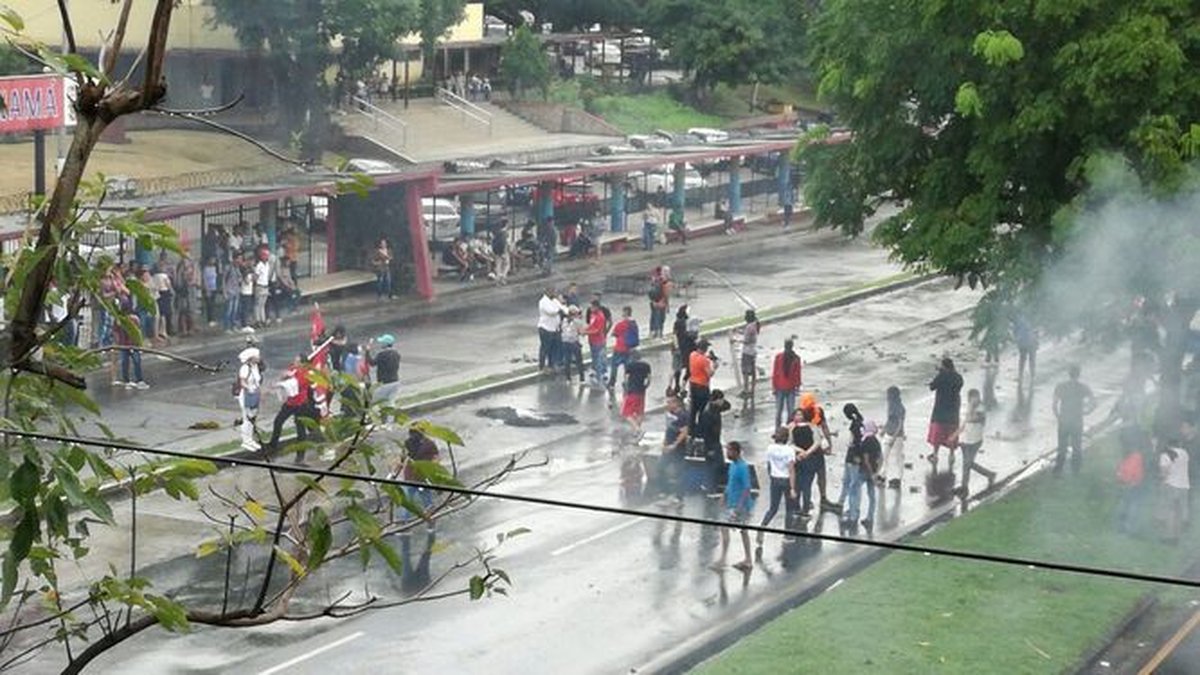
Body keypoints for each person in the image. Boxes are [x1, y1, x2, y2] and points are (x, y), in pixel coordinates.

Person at [757, 427, 798, 553]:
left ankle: (762, 527)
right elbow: (791, 470)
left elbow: (769, 465)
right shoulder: (789, 451)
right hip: (786, 480)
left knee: (773, 508)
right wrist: (792, 488)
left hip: (775, 479)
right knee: (789, 509)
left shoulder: (770, 448)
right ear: (787, 438)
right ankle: (787, 535)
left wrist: (772, 476)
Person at [268, 355, 317, 460]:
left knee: (300, 431)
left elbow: (293, 385)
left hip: (301, 405)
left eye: (297, 361)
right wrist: (284, 376)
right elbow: (285, 376)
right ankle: (273, 445)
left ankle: (300, 456)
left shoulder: (306, 374)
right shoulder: (293, 369)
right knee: (278, 421)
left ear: (302, 363)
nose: (294, 363)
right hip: (290, 403)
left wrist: (279, 384)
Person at [715, 441, 754, 572]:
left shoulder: (743, 467)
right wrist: (724, 495)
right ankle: (740, 558)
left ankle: (742, 559)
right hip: (731, 503)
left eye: (729, 451)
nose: (727, 453)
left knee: (742, 531)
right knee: (726, 528)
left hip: (740, 506)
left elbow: (747, 488)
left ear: (736, 452)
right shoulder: (732, 465)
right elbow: (731, 483)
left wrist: (739, 507)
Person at [1053, 364, 1095, 475]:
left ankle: (1058, 470)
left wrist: (1058, 416)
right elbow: (1093, 402)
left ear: (1069, 373)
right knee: (1077, 446)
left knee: (1062, 446)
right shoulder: (1083, 387)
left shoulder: (1061, 386)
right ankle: (1076, 470)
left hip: (1064, 420)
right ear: (1079, 374)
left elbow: (1054, 404)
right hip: (1077, 421)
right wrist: (1086, 412)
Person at [798, 392, 837, 511]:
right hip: (805, 451)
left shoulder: (818, 412)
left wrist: (829, 444)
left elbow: (824, 427)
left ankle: (822, 498)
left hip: (814, 450)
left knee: (820, 476)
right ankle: (806, 501)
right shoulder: (799, 415)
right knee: (807, 479)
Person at [957, 388, 997, 498]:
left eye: (976, 397)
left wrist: (970, 409)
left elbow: (972, 419)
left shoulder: (981, 409)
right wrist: (956, 436)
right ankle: (964, 487)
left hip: (975, 441)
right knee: (966, 465)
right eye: (971, 398)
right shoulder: (969, 407)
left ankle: (989, 474)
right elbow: (964, 423)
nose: (973, 400)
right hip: (965, 439)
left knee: (968, 464)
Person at [927, 357, 964, 468]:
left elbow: (932, 387)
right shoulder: (958, 377)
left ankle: (935, 454)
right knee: (951, 432)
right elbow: (959, 386)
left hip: (941, 409)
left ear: (944, 366)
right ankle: (951, 455)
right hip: (953, 409)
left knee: (938, 434)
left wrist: (940, 374)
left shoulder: (941, 376)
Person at [1114, 425, 1148, 534]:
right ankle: (1126, 527)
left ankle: (1124, 527)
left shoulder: (1131, 454)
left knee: (1127, 504)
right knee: (1130, 505)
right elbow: (1131, 469)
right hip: (1131, 483)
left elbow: (1127, 468)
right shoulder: (1136, 454)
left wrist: (1121, 477)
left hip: (1129, 482)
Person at [697, 390, 730, 495]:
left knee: (716, 464)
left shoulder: (715, 408)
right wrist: (709, 448)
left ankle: (710, 485)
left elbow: (728, 406)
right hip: (711, 443)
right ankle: (711, 487)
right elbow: (706, 432)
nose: (722, 401)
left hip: (716, 441)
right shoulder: (708, 413)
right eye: (721, 399)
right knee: (714, 465)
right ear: (717, 400)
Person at [1159, 439, 1190, 544]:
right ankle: (1177, 537)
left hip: (1171, 485)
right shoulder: (1185, 453)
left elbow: (1164, 473)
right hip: (1184, 486)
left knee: (1170, 512)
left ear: (1168, 445)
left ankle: (1169, 537)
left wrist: (1161, 483)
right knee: (1179, 512)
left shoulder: (1165, 455)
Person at [661, 396, 690, 505]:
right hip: (668, 447)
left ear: (676, 403)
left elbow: (685, 431)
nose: (667, 405)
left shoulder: (683, 415)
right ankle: (666, 491)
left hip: (678, 449)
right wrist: (664, 444)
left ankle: (679, 497)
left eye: (669, 403)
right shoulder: (670, 415)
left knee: (679, 472)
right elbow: (668, 430)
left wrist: (674, 444)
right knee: (660, 467)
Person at [113, 299, 148, 390]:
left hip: (130, 344)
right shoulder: (120, 320)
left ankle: (133, 380)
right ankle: (132, 380)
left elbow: (116, 332)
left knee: (130, 362)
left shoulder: (131, 319)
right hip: (127, 344)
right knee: (130, 362)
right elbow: (116, 332)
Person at [772, 338, 803, 430]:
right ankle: (787, 429)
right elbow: (798, 374)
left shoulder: (779, 357)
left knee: (780, 411)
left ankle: (780, 430)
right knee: (789, 411)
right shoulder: (796, 358)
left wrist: (774, 386)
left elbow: (775, 373)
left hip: (781, 387)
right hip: (789, 388)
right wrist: (798, 386)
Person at [236, 346, 263, 452]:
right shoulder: (245, 368)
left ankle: (250, 439)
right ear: (251, 358)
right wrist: (249, 388)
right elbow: (242, 382)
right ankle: (245, 440)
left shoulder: (255, 366)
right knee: (247, 418)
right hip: (247, 395)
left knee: (252, 418)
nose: (259, 358)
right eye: (257, 356)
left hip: (255, 394)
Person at [881, 385, 907, 489]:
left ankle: (898, 479)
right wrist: (884, 429)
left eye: (888, 395)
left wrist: (895, 436)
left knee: (897, 458)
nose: (887, 397)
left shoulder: (899, 407)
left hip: (897, 436)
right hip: (889, 433)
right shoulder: (891, 405)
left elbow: (900, 423)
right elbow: (889, 420)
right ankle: (883, 475)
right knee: (884, 456)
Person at [858, 421, 882, 530]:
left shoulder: (865, 441)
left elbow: (866, 459)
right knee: (872, 496)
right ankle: (870, 518)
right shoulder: (876, 441)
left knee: (855, 491)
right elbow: (880, 458)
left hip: (864, 471)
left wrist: (871, 472)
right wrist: (876, 472)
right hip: (874, 470)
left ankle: (853, 515)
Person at [688, 339, 716, 431]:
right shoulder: (704, 360)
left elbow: (699, 359)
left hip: (693, 384)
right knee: (702, 409)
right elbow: (710, 374)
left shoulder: (692, 355)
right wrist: (714, 366)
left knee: (693, 408)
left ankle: (690, 428)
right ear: (705, 348)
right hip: (702, 386)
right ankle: (700, 428)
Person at [608, 306, 639, 390]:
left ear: (625, 313)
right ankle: (626, 382)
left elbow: (614, 334)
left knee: (614, 366)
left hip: (619, 348)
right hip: (629, 348)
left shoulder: (620, 324)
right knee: (627, 367)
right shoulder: (634, 324)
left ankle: (612, 383)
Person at [622, 350, 651, 435]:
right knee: (640, 412)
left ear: (631, 357)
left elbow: (626, 379)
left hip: (632, 391)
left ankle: (638, 429)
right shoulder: (646, 366)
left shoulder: (629, 366)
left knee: (626, 413)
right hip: (641, 391)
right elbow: (649, 379)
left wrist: (626, 389)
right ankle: (637, 430)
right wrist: (645, 386)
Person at [537, 287, 565, 372]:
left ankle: (551, 364)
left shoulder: (554, 301)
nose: (554, 294)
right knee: (545, 348)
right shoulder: (543, 302)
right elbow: (551, 312)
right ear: (548, 292)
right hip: (546, 329)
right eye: (553, 292)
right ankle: (541, 366)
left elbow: (563, 307)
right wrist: (559, 310)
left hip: (554, 329)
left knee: (554, 348)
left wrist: (569, 311)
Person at [368, 333, 401, 404]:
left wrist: (367, 352)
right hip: (395, 381)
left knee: (375, 402)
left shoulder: (382, 355)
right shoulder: (396, 354)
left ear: (385, 344)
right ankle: (390, 415)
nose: (380, 344)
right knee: (390, 403)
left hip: (384, 383)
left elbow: (371, 363)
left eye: (382, 343)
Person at [584, 297, 609, 386]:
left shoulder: (600, 317)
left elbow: (597, 330)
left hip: (598, 341)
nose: (591, 308)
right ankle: (596, 373)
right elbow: (591, 325)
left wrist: (586, 332)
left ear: (597, 307)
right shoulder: (592, 315)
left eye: (592, 307)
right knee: (594, 358)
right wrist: (585, 329)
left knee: (599, 359)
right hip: (592, 340)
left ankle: (599, 377)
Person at [671, 305, 695, 394]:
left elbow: (674, 335)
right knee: (689, 368)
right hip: (686, 348)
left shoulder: (677, 322)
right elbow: (691, 336)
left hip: (679, 348)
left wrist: (676, 347)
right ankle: (682, 386)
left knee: (677, 368)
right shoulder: (687, 323)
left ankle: (677, 385)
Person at [560, 306, 586, 384]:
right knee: (579, 361)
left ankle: (568, 378)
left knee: (567, 360)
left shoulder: (564, 321)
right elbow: (582, 333)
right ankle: (582, 378)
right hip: (573, 342)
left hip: (565, 342)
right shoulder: (577, 322)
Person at [739, 310, 761, 400]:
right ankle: (752, 389)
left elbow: (747, 340)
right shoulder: (755, 325)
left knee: (745, 372)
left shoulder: (749, 327)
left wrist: (736, 340)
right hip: (753, 351)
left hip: (747, 351)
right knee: (752, 371)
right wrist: (741, 332)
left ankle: (746, 390)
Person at [648, 266, 671, 338]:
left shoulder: (655, 279)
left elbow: (650, 291)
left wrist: (653, 301)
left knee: (653, 317)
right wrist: (668, 306)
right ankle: (659, 334)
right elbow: (666, 295)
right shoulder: (666, 282)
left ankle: (652, 333)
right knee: (660, 319)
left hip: (653, 302)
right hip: (661, 303)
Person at [222, 253, 243, 332]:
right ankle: (227, 327)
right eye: (239, 258)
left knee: (235, 310)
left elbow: (239, 278)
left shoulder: (237, 268)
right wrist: (224, 292)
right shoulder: (228, 267)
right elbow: (224, 280)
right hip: (230, 291)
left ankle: (233, 326)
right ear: (234, 259)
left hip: (236, 291)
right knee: (229, 310)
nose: (240, 260)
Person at [253, 247, 271, 328]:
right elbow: (255, 277)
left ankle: (263, 320)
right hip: (260, 286)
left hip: (265, 286)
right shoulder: (259, 265)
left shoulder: (267, 264)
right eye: (266, 255)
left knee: (262, 304)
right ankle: (258, 320)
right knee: (258, 304)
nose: (267, 257)